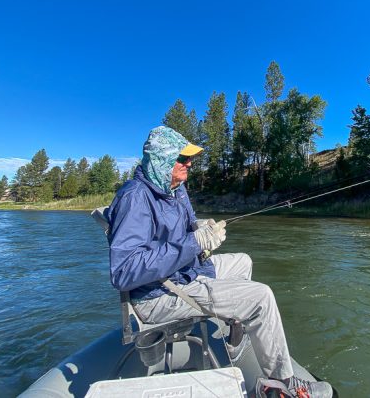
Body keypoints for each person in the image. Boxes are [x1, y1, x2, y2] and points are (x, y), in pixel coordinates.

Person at [106, 126, 332, 398]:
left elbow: (188, 226)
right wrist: (195, 243)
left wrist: (201, 228)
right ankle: (284, 385)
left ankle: (236, 337)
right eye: (182, 158)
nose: (189, 163)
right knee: (261, 296)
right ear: (161, 160)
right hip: (159, 295)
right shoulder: (135, 198)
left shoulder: (176, 188)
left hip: (186, 271)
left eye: (189, 157)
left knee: (243, 261)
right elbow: (124, 271)